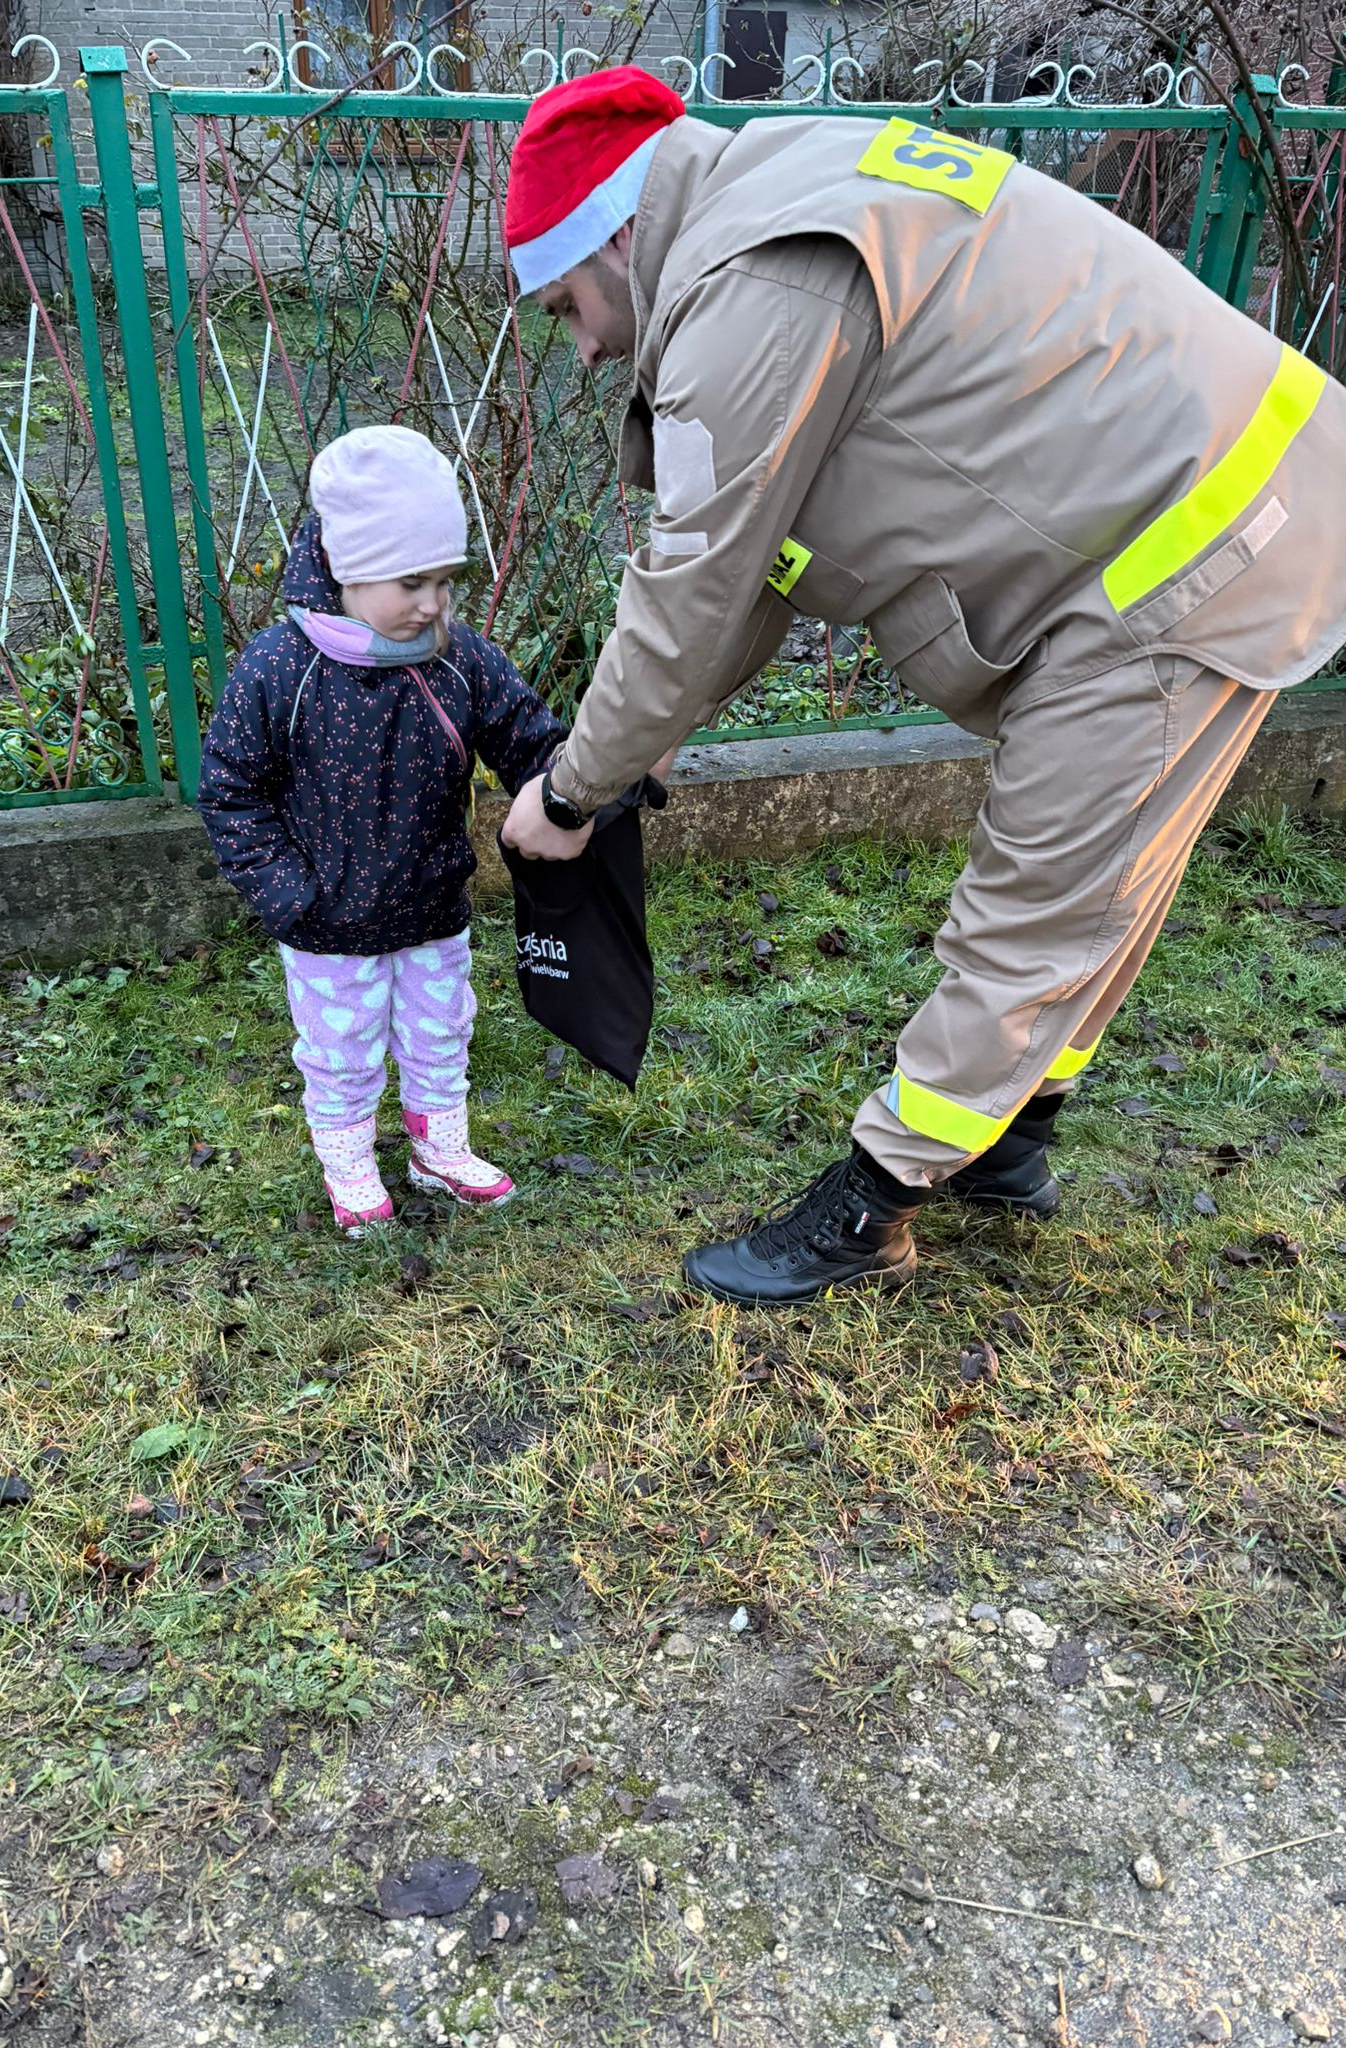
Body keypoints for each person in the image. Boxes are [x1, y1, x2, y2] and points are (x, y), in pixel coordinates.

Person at [496, 67, 1346, 1306]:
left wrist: (572, 793)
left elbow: (693, 582)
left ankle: (874, 1202)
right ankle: (1009, 1138)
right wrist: (656, 733)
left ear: (617, 237)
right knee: (1102, 872)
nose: (581, 345)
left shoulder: (750, 285)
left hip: (1190, 539)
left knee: (1045, 887)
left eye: (567, 302)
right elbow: (756, 566)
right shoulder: (778, 186)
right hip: (1211, 497)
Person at [198, 425, 565, 1235]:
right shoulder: (280, 670)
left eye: (444, 580)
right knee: (342, 1050)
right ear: (345, 564)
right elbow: (230, 791)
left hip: (433, 905)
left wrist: (593, 778)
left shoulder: (460, 660)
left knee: (442, 1031)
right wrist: (290, 895)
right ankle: (350, 1164)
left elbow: (530, 742)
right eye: (411, 581)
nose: (432, 603)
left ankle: (440, 1150)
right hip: (328, 923)